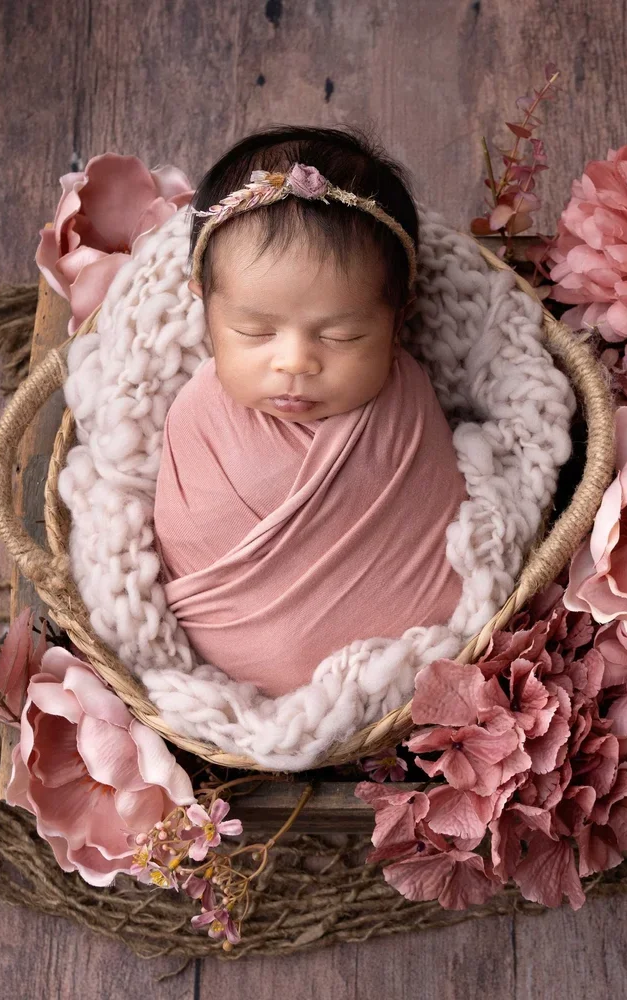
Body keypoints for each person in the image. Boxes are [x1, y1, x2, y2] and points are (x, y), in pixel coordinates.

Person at [153, 125, 468, 697]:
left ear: (400, 319)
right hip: (238, 673)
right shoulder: (194, 418)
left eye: (344, 336)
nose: (295, 362)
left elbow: (450, 531)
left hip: (425, 673)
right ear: (202, 301)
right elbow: (184, 539)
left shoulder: (407, 401)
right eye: (253, 331)